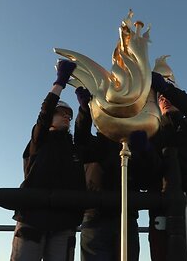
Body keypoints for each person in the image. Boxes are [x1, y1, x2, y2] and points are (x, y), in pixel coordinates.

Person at [74, 87, 161, 261]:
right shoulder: (96, 144)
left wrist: (145, 150)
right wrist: (85, 111)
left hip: (126, 218)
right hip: (95, 217)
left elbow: (147, 179)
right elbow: (81, 141)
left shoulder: (131, 146)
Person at [11, 60, 86, 261]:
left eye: (69, 116)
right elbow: (43, 115)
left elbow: (84, 131)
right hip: (32, 218)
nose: (66, 118)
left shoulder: (74, 150)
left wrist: (85, 107)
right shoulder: (39, 141)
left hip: (64, 223)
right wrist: (60, 82)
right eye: (61, 113)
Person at [148, 70, 187, 261]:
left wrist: (167, 88)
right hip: (162, 206)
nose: (165, 99)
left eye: (169, 96)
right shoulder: (153, 132)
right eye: (161, 97)